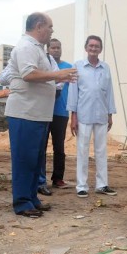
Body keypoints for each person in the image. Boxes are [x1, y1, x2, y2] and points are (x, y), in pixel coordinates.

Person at [5, 12, 77, 218]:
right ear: (38, 26)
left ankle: (31, 198)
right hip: (25, 113)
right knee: (24, 159)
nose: (51, 31)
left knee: (35, 160)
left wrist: (58, 78)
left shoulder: (36, 49)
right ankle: (22, 202)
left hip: (37, 114)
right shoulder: (26, 47)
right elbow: (29, 74)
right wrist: (58, 75)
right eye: (50, 27)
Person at [67, 35, 117, 198]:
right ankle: (82, 186)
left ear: (100, 49)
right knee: (82, 150)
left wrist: (110, 114)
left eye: (97, 46)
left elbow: (109, 92)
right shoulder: (78, 67)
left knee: (101, 151)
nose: (94, 48)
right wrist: (73, 116)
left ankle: (102, 184)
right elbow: (73, 93)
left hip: (101, 114)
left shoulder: (106, 68)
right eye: (91, 46)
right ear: (86, 47)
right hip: (83, 115)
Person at [37, 39, 73, 195]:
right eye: (53, 48)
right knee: (42, 147)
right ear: (48, 49)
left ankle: (58, 178)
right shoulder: (44, 67)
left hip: (61, 112)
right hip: (45, 111)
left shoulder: (68, 68)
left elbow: (73, 91)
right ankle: (40, 180)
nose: (56, 50)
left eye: (59, 48)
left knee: (59, 147)